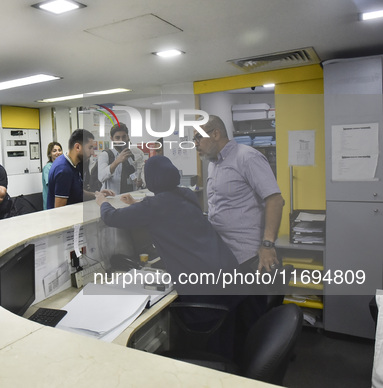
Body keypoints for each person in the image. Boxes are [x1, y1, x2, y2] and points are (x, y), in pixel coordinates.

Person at [95, 155, 243, 359]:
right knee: (227, 336)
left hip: (205, 288)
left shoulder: (154, 207)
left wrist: (102, 201)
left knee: (207, 340)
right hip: (228, 273)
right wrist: (136, 203)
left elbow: (111, 217)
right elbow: (168, 209)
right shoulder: (187, 195)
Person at [195, 115, 284, 273]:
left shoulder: (247, 157)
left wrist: (268, 245)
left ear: (215, 134)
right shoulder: (213, 165)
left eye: (198, 137)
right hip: (225, 255)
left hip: (251, 257)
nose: (195, 144)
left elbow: (275, 200)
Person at [47, 129, 113, 209]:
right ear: (77, 147)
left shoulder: (75, 164)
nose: (93, 153)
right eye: (90, 148)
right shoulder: (63, 170)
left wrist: (97, 194)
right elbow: (60, 209)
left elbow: (77, 192)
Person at [97, 122, 144, 194]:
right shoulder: (105, 155)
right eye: (117, 138)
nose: (121, 140)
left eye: (124, 137)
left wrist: (140, 181)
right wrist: (117, 161)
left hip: (131, 197)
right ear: (112, 139)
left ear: (128, 137)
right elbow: (101, 177)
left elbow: (137, 174)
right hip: (112, 199)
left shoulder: (134, 154)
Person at [42, 141, 63, 210]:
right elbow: (51, 185)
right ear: (50, 154)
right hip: (51, 203)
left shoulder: (62, 167)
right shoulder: (48, 168)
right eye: (54, 151)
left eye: (59, 150)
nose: (58, 153)